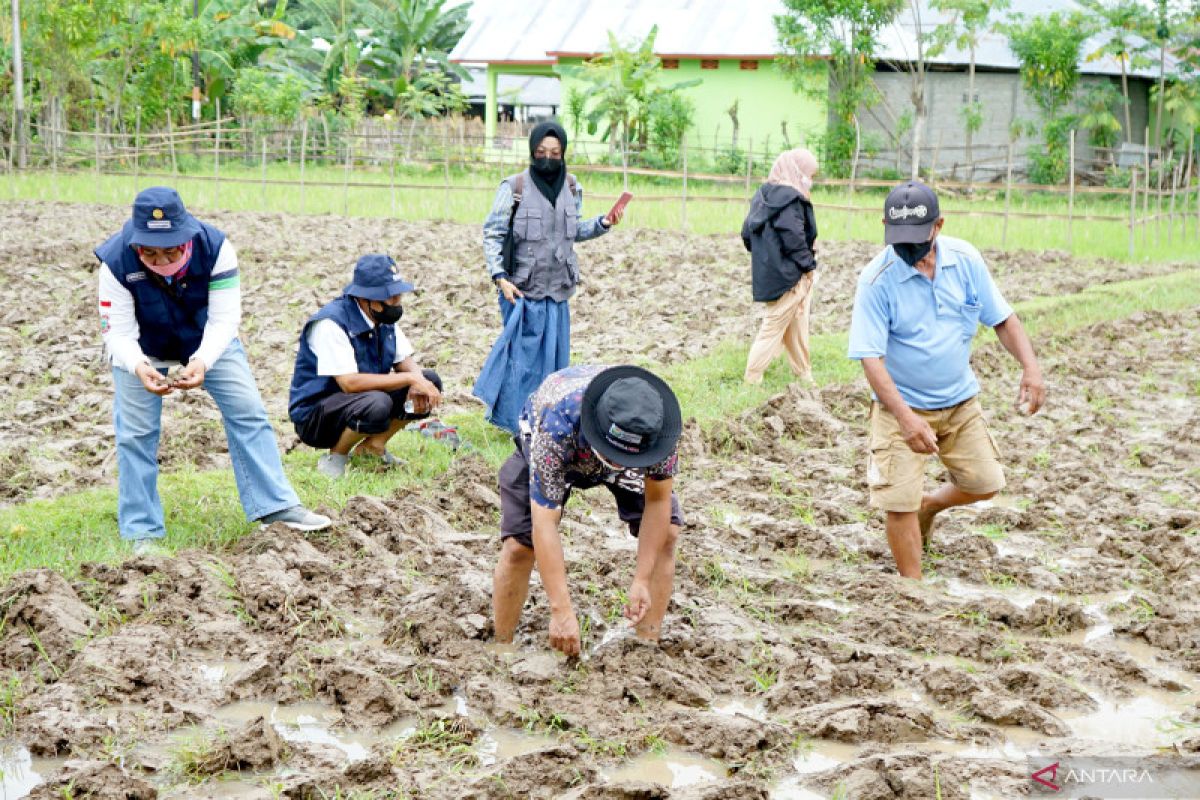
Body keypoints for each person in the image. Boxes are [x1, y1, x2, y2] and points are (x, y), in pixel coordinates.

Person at [96, 187, 331, 553]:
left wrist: (202, 361)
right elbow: (119, 333)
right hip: (141, 348)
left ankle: (276, 506)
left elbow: (224, 319)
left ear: (186, 237)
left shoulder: (216, 248)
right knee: (136, 434)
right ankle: (142, 530)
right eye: (150, 252)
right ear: (136, 244)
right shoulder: (115, 262)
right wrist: (140, 366)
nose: (160, 260)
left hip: (207, 340)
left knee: (248, 412)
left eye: (171, 250)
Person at [848, 180, 1046, 580]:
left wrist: (1031, 368)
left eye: (916, 239)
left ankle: (932, 505)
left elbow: (1002, 319)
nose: (907, 249)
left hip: (960, 403)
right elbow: (871, 358)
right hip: (898, 407)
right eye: (898, 238)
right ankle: (913, 589)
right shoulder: (876, 279)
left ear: (938, 225)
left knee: (986, 483)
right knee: (898, 503)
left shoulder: (966, 260)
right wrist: (905, 419)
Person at [492, 365, 684, 656]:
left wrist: (641, 579)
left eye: (623, 458)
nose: (615, 463)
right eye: (612, 456)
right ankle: (502, 646)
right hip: (561, 440)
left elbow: (658, 501)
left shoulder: (657, 428)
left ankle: (646, 648)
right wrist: (561, 610)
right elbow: (544, 522)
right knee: (520, 545)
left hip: (625, 449)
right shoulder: (558, 423)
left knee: (667, 533)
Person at [473, 121, 625, 434]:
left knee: (555, 362)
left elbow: (575, 233)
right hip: (521, 289)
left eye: (555, 152)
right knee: (521, 360)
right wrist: (499, 277)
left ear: (563, 153)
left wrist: (604, 223)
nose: (548, 158)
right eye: (541, 152)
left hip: (558, 290)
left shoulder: (572, 187)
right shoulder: (513, 187)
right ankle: (515, 424)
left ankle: (545, 418)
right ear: (532, 151)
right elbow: (493, 232)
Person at [288, 255, 443, 479]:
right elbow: (349, 383)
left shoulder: (382, 319)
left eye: (398, 293)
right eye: (391, 296)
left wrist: (418, 380)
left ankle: (373, 447)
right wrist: (410, 380)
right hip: (317, 415)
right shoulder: (331, 323)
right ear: (366, 297)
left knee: (429, 380)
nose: (397, 301)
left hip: (358, 401)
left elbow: (403, 360)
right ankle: (336, 457)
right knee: (377, 402)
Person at [741, 147, 821, 384]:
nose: (810, 181)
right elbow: (793, 237)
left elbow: (747, 233)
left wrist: (766, 256)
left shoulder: (763, 196)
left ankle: (804, 374)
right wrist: (809, 266)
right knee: (773, 327)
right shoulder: (791, 200)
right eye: (810, 175)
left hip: (769, 273)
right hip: (789, 275)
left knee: (796, 325)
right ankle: (752, 378)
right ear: (798, 172)